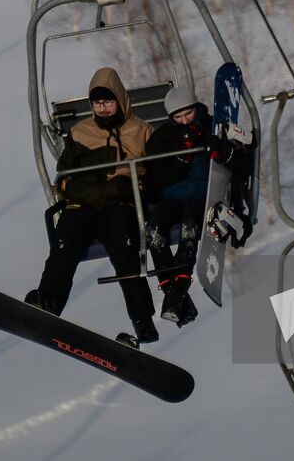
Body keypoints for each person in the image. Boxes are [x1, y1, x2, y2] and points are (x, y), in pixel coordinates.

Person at [29, 67, 158, 346]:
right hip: (83, 206)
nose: (102, 108)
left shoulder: (141, 131)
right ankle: (48, 301)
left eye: (108, 102)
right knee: (65, 245)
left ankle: (143, 320)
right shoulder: (79, 133)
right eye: (97, 103)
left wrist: (132, 189)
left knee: (125, 253)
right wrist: (92, 189)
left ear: (120, 100)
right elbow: (64, 177)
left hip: (120, 206)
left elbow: (155, 171)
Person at [141, 86, 225, 329]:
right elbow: (157, 178)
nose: (184, 120)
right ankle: (174, 295)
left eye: (187, 114)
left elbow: (224, 157)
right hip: (172, 196)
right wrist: (181, 158)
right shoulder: (164, 137)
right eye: (178, 117)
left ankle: (178, 290)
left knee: (190, 227)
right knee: (154, 232)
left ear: (195, 108)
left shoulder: (212, 127)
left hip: (202, 194)